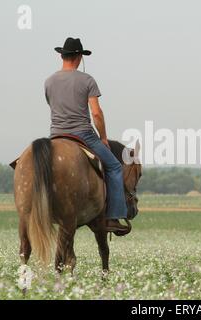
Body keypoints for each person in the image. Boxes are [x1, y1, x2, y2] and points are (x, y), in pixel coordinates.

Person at [44, 37, 129, 234]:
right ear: (80, 57)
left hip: (55, 135)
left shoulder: (49, 81)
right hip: (82, 134)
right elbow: (96, 113)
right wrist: (104, 137)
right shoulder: (87, 80)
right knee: (115, 167)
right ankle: (113, 217)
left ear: (61, 56)